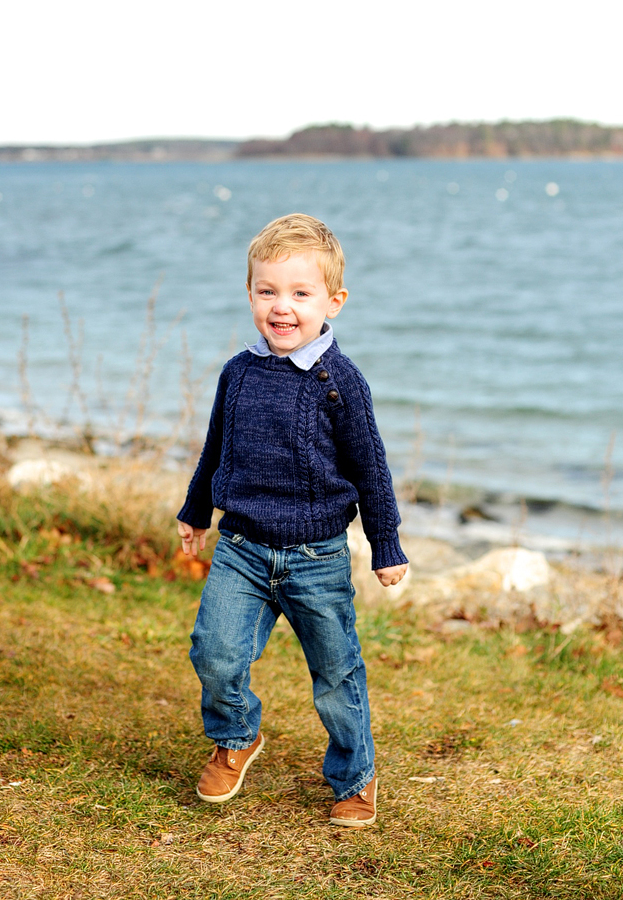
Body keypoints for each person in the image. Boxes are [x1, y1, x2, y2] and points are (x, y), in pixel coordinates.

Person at [176, 213, 408, 827]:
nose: (283, 308)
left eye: (301, 294)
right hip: (242, 548)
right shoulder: (239, 372)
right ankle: (236, 736)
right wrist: (196, 509)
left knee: (336, 674)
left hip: (318, 557)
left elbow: (372, 467)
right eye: (267, 291)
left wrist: (385, 543)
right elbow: (215, 447)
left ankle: (354, 776)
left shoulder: (341, 383)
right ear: (250, 293)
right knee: (214, 652)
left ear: (334, 301)